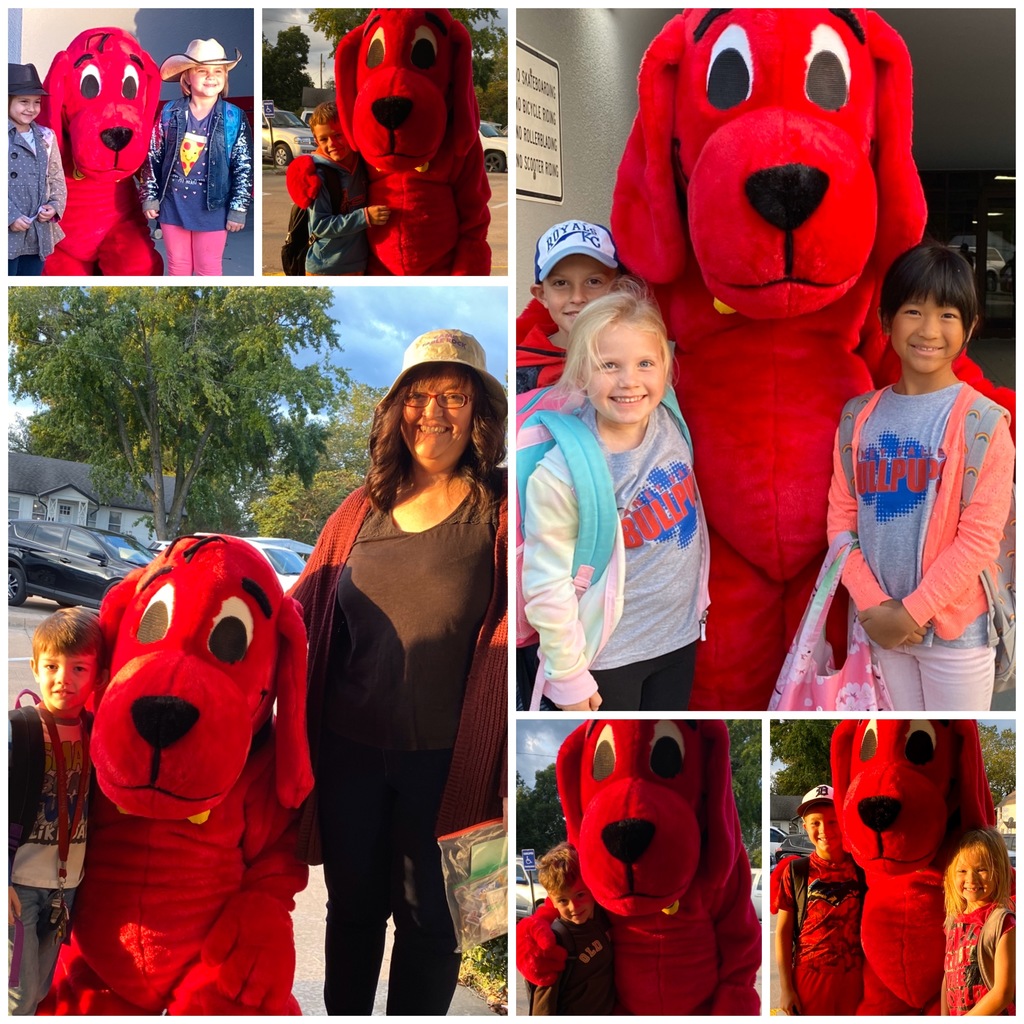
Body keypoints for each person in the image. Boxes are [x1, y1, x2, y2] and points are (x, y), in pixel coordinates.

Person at [291, 329, 507, 1015]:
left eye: (454, 395)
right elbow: (298, 612)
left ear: (478, 415)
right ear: (396, 409)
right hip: (347, 751)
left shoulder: (501, 509)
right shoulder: (359, 510)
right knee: (352, 912)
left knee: (431, 929)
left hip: (448, 762)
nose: (434, 411)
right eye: (419, 395)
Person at [827, 242, 1015, 710]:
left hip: (956, 637)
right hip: (881, 630)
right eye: (913, 311)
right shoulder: (857, 418)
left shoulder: (984, 422)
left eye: (948, 315)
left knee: (951, 751)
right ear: (886, 320)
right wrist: (876, 607)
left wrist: (912, 611)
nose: (929, 330)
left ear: (970, 327)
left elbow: (979, 540)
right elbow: (840, 523)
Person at [521, 283, 709, 711]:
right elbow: (546, 583)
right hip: (605, 659)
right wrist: (568, 676)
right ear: (582, 373)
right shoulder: (563, 469)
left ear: (666, 368)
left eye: (646, 363)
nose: (630, 381)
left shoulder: (668, 416)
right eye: (609, 365)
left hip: (678, 638)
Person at [8, 608, 105, 1015]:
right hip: (19, 885)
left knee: (40, 989)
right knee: (16, 995)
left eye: (78, 667)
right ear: (34, 668)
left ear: (98, 677)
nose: (63, 677)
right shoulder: (17, 729)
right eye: (51, 665)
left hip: (65, 887)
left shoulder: (98, 732)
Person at [140, 38, 253, 275]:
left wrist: (238, 208)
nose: (211, 77)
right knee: (178, 267)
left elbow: (242, 166)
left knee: (208, 269)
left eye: (218, 71)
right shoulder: (170, 112)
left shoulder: (234, 117)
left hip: (213, 209)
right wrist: (149, 195)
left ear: (224, 78)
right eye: (202, 71)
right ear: (187, 77)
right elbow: (154, 155)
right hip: (173, 205)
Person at [774, 784, 865, 1016]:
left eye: (833, 821)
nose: (824, 829)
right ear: (805, 827)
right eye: (815, 822)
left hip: (856, 979)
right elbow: (783, 933)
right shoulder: (796, 871)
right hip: (809, 980)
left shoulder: (862, 869)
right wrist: (786, 988)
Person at [516, 219, 622, 394]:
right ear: (542, 295)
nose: (578, 297)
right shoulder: (520, 369)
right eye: (561, 283)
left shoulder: (638, 355)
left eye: (594, 281)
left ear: (617, 288)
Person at [303, 101, 389, 276]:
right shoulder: (319, 175)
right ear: (315, 140)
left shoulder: (364, 164)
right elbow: (319, 225)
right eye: (324, 139)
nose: (332, 143)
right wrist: (365, 217)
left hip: (359, 263)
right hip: (326, 267)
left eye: (338, 135)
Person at [529, 842, 614, 1016]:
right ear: (551, 901)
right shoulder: (557, 940)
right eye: (562, 900)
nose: (574, 907)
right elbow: (544, 1000)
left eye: (580, 895)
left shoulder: (602, 916)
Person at [941, 827, 1015, 1015]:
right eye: (962, 870)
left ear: (998, 871)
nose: (971, 879)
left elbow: (1003, 992)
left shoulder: (1002, 923)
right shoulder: (953, 921)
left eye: (981, 869)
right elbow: (949, 975)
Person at [8, 63, 65, 276]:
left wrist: (54, 206)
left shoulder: (46, 136)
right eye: (24, 101)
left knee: (31, 276)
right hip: (9, 230)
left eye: (36, 102)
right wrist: (10, 216)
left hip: (37, 229)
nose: (31, 108)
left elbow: (56, 178)